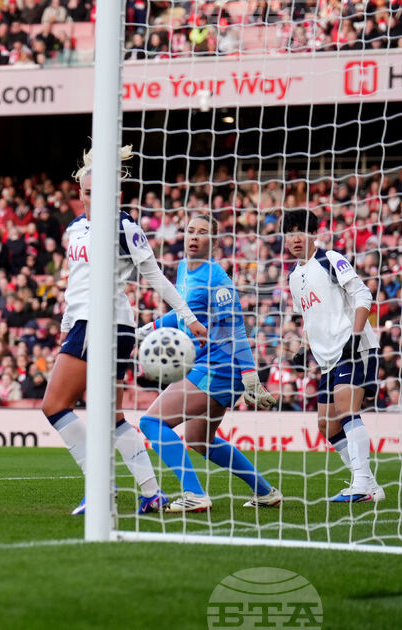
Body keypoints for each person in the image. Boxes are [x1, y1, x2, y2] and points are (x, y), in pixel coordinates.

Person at [43, 145, 207, 515]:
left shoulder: (124, 227)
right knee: (112, 415)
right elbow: (76, 284)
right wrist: (67, 323)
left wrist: (187, 317)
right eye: (87, 192)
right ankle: (151, 492)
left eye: (99, 192)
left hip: (106, 324)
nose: (92, 198)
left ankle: (99, 488)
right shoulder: (75, 230)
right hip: (86, 323)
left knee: (54, 405)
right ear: (80, 193)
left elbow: (156, 279)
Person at [137, 214, 281, 512]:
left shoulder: (218, 278)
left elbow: (236, 327)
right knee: (199, 439)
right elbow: (182, 315)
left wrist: (250, 376)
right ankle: (266, 492)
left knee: (151, 422)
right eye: (190, 231)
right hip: (209, 366)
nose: (194, 236)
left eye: (202, 233)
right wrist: (146, 330)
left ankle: (195, 494)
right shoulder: (182, 270)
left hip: (219, 366)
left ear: (213, 242)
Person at [281, 208, 383, 502]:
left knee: (346, 407)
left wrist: (354, 335)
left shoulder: (330, 259)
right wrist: (303, 350)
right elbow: (308, 318)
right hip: (325, 357)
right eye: (290, 233)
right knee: (327, 425)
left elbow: (364, 295)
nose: (296, 238)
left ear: (314, 233)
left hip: (352, 345)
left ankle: (361, 484)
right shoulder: (293, 276)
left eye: (301, 231)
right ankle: (369, 484)